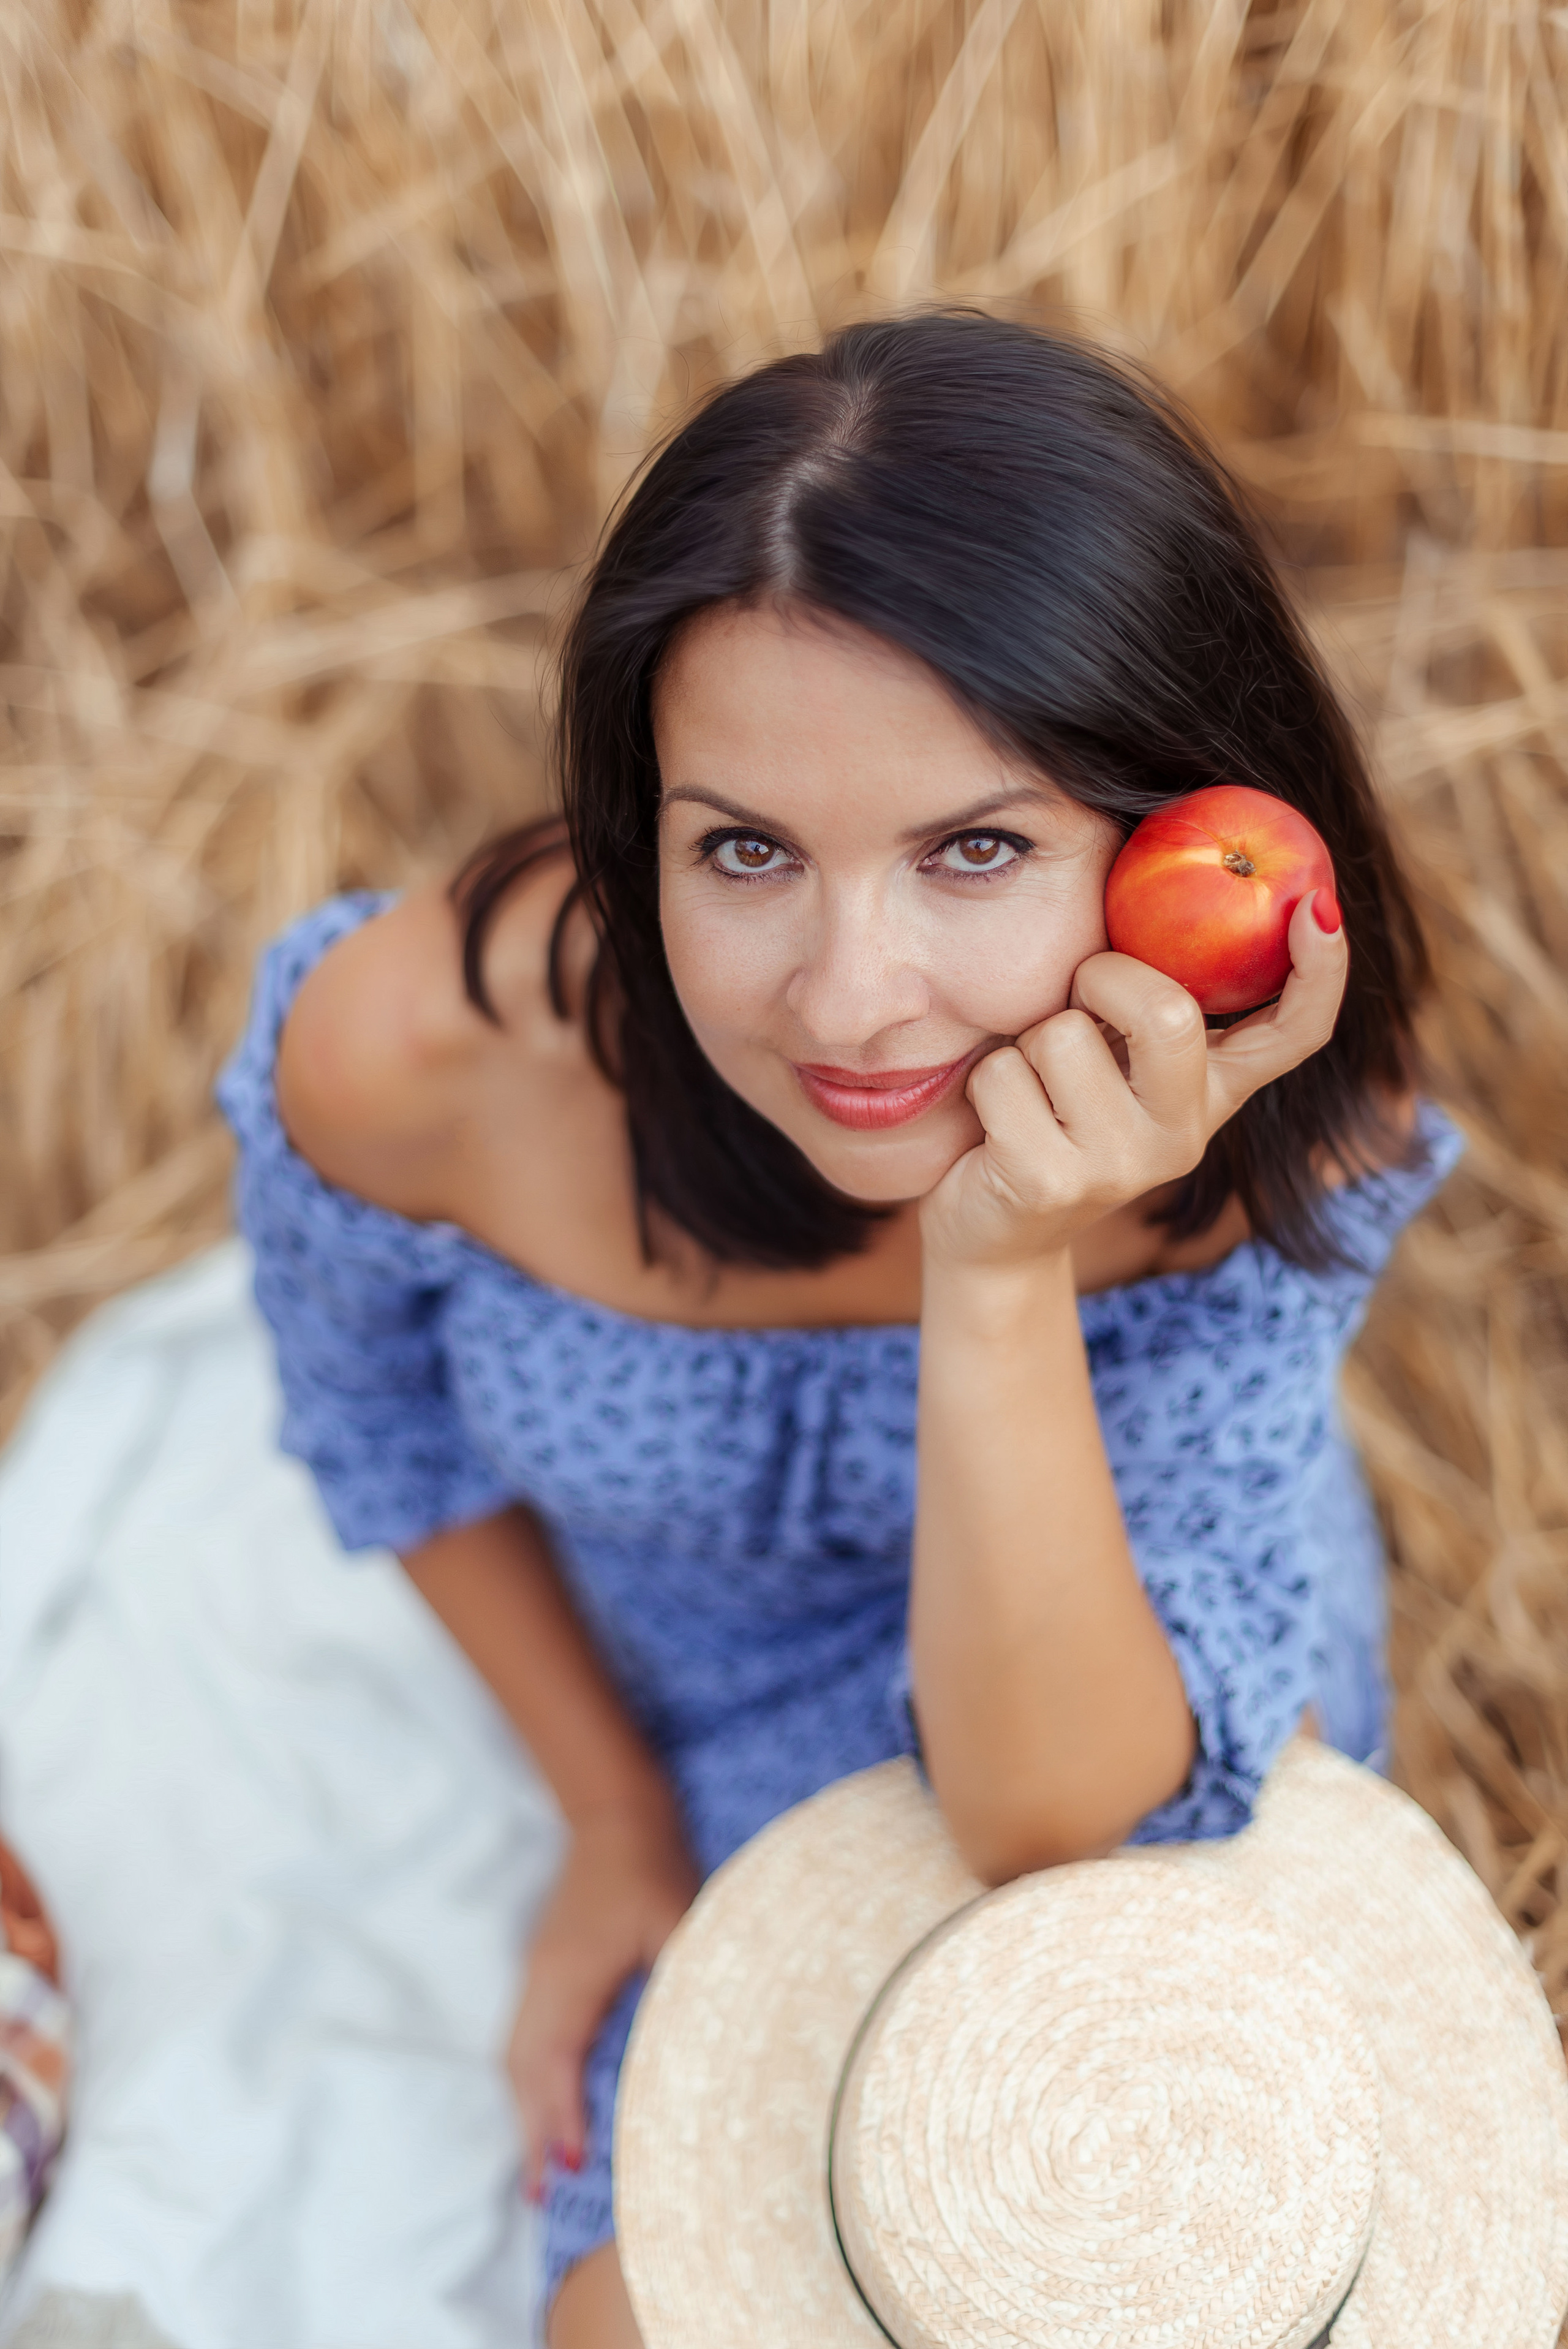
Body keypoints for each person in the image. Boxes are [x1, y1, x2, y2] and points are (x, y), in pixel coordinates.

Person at [217, 311, 1455, 2349]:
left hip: (1125, 1676)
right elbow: (387, 1438)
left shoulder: (1247, 1128)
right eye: (746, 851)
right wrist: (612, 1812)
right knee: (633, 2321)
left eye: (977, 847)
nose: (850, 998)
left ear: (1176, 842)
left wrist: (1002, 1270)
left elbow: (1065, 1825)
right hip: (717, 1753)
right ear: (642, 822)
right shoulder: (417, 1057)